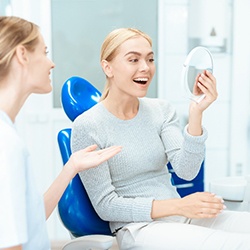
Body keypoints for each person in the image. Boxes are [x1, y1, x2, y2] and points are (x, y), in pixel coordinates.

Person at [71, 27, 250, 250]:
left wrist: (196, 114)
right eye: (133, 60)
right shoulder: (88, 126)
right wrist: (179, 206)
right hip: (139, 228)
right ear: (107, 67)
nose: (145, 67)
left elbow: (186, 171)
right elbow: (106, 206)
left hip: (180, 215)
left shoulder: (161, 110)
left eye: (150, 59)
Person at [0, 16, 121, 250]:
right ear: (22, 55)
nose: (51, 63)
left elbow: (31, 219)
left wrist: (72, 167)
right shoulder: (6, 144)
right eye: (44, 52)